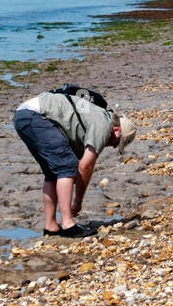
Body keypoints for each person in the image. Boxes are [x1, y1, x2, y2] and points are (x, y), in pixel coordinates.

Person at [13, 88, 136, 239]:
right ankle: (68, 224)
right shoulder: (104, 124)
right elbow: (84, 166)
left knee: (52, 172)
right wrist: (77, 202)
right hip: (36, 116)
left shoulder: (98, 116)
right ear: (116, 130)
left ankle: (51, 227)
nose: (115, 146)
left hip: (23, 115)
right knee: (67, 166)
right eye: (118, 142)